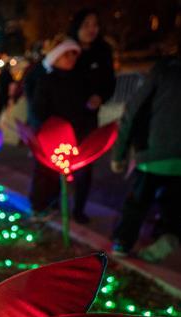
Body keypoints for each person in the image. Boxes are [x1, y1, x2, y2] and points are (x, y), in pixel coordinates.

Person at [110, 20, 181, 262]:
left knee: (139, 202)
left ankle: (123, 243)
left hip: (154, 152)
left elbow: (134, 110)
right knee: (178, 206)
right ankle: (170, 235)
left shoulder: (165, 69)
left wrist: (119, 153)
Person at [29, 39, 94, 219]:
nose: (71, 58)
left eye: (74, 54)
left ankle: (55, 204)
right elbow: (38, 107)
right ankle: (39, 207)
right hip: (51, 135)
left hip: (74, 135)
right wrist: (47, 128)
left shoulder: (79, 81)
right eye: (67, 54)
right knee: (45, 172)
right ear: (56, 57)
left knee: (65, 174)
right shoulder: (46, 80)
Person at [67, 8, 116, 223]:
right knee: (56, 163)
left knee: (84, 166)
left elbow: (109, 81)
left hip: (88, 119)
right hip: (63, 117)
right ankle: (47, 203)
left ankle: (78, 209)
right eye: (86, 24)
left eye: (95, 24)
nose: (91, 29)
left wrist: (100, 96)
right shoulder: (67, 48)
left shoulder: (103, 50)